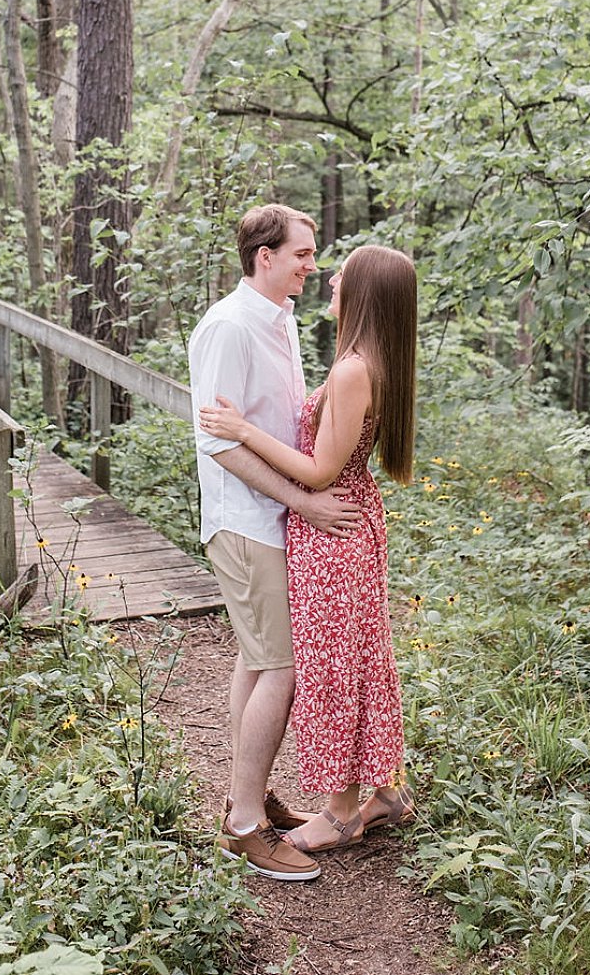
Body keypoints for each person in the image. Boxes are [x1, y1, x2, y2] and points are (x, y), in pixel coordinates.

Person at [200, 243, 417, 856]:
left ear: (367, 293)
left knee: (333, 667)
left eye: (342, 275)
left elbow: (320, 472)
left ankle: (343, 810)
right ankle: (381, 794)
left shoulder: (354, 370)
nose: (330, 280)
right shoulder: (368, 359)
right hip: (345, 524)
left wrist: (244, 430)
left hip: (332, 530)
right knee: (359, 658)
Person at [189, 203, 364, 883]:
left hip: (274, 517)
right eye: (301, 254)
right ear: (266, 257)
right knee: (280, 667)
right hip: (246, 519)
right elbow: (218, 441)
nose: (311, 264)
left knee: (256, 661)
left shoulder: (279, 318)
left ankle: (248, 794)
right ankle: (242, 829)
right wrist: (305, 502)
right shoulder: (229, 328)